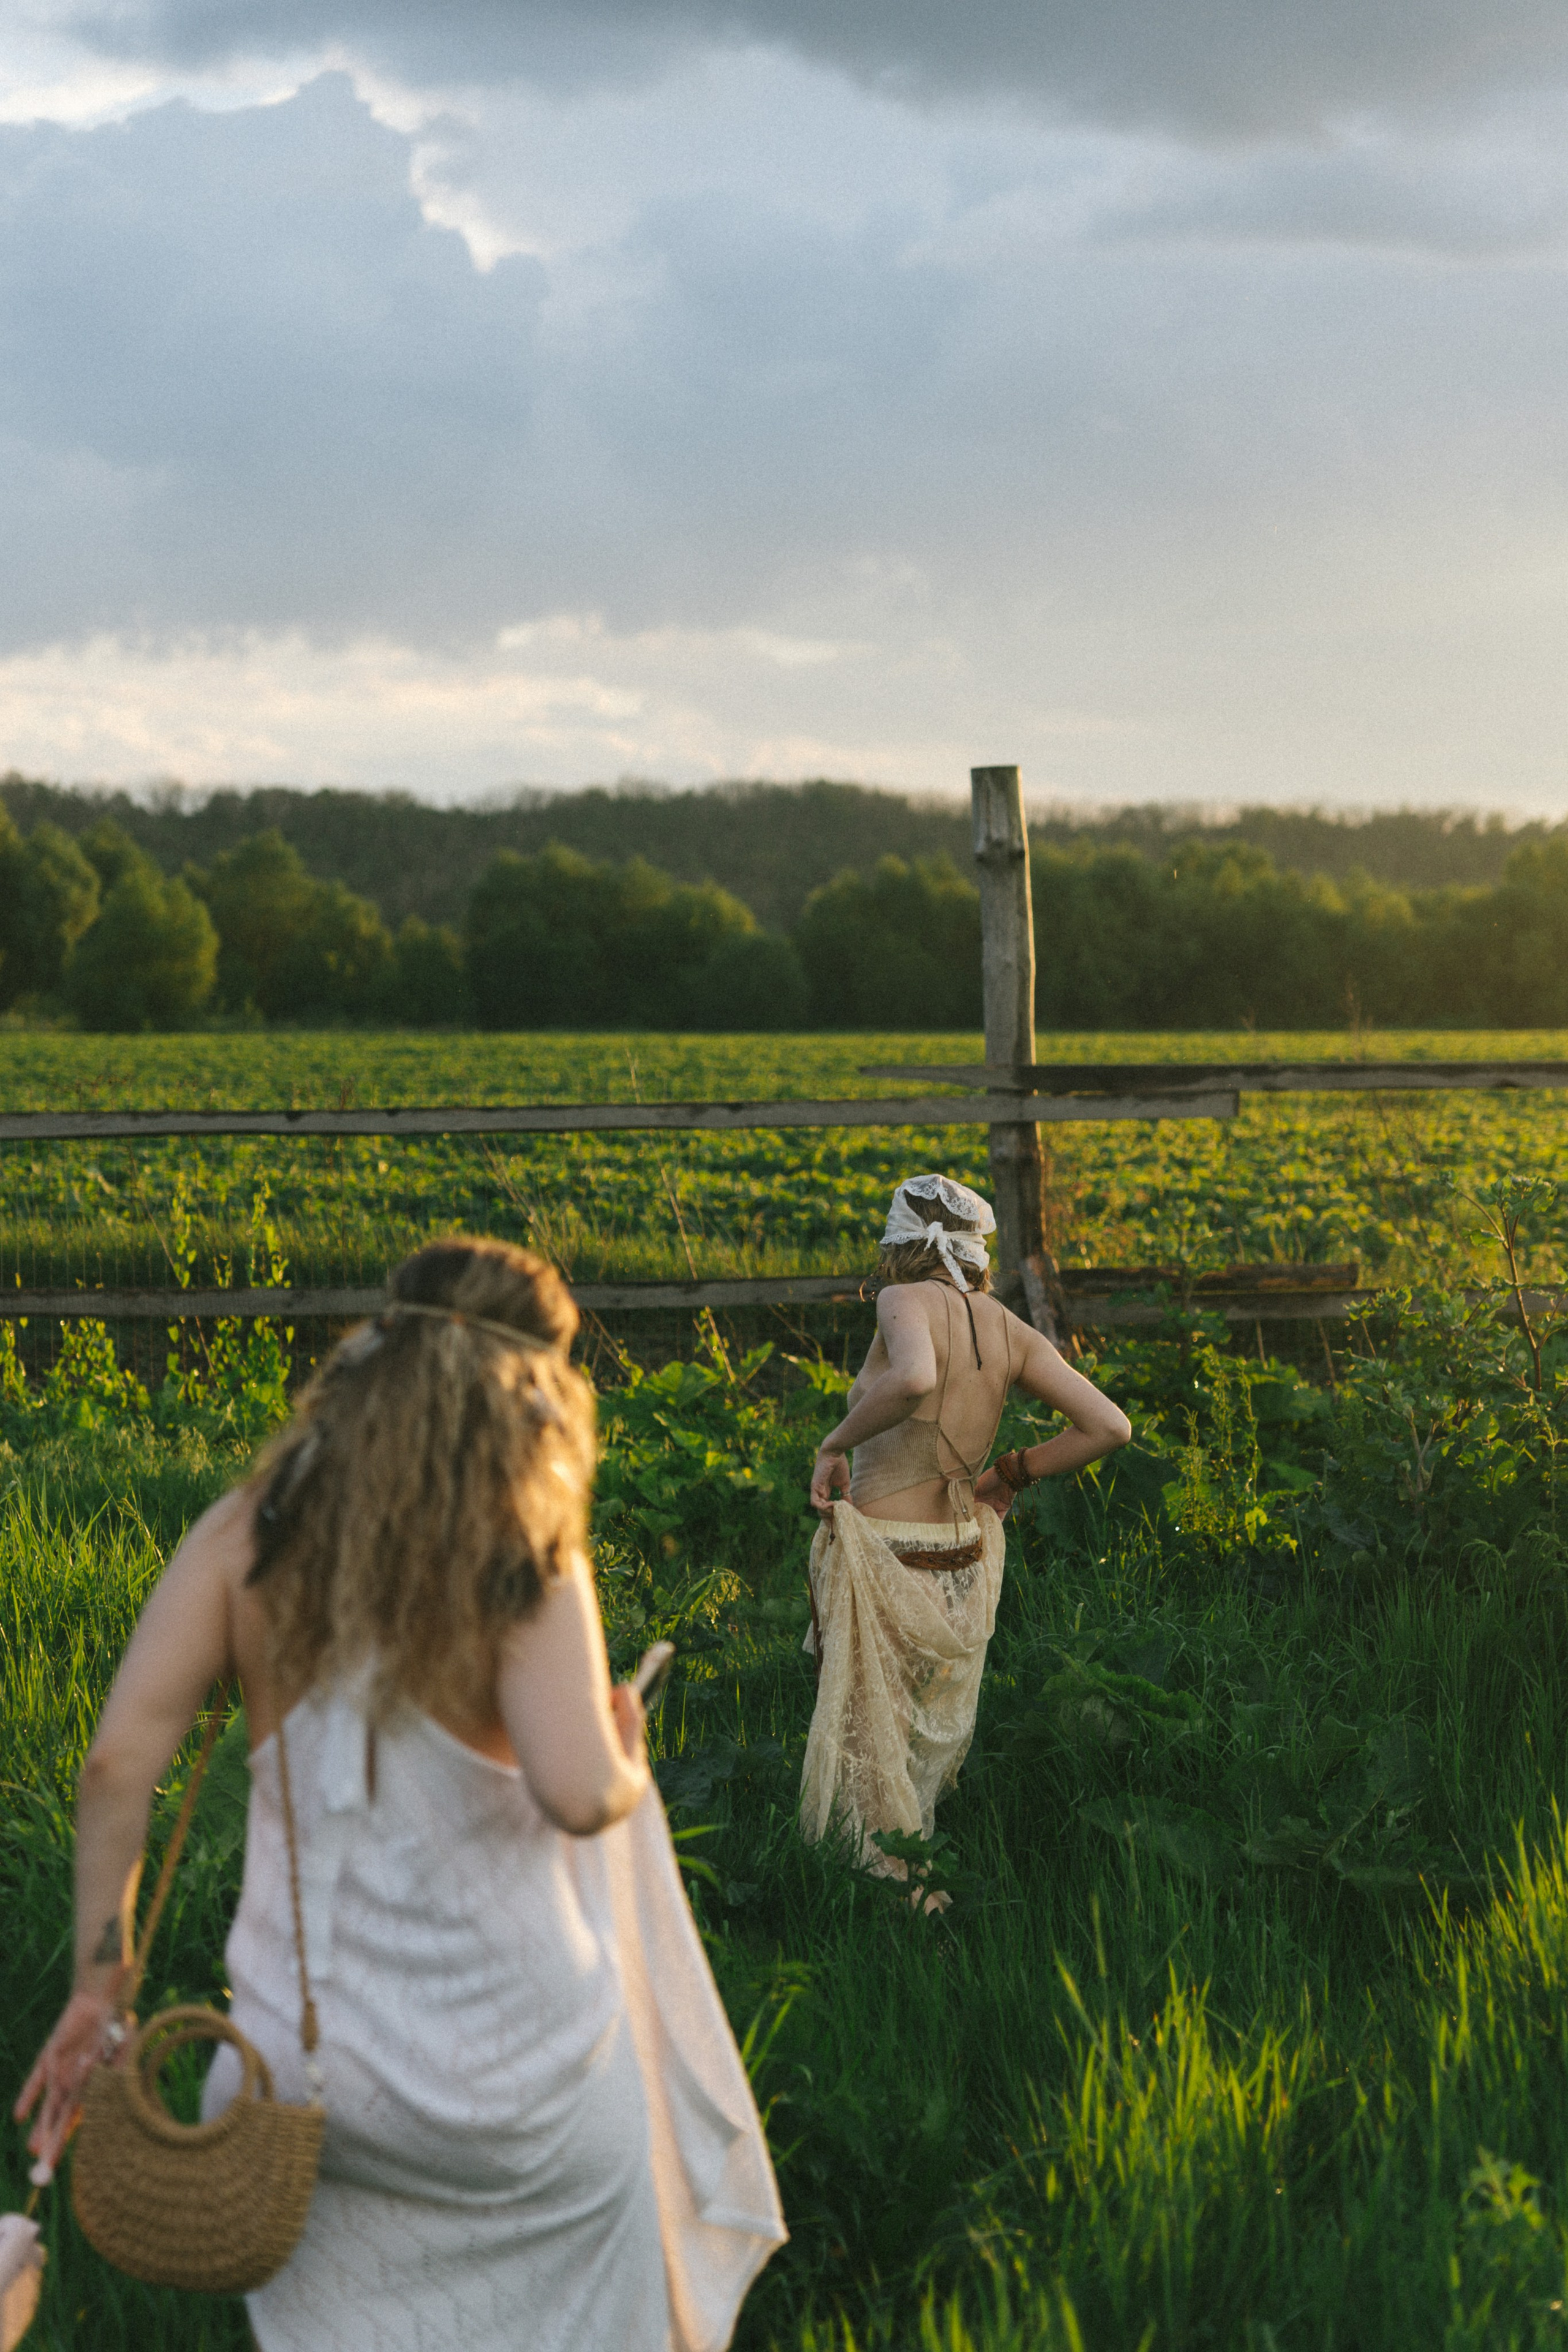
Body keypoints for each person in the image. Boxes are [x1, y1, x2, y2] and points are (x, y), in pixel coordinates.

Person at [17, 1238, 784, 2352]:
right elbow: (578, 1794)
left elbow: (116, 1766)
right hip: (517, 2089)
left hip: (306, 2080)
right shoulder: (524, 1552)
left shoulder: (249, 1532)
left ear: (377, 1359)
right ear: (537, 1394)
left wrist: (103, 1985)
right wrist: (625, 1748)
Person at [800, 1175, 1131, 1890]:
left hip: (890, 1551)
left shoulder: (900, 1299)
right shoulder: (1008, 1326)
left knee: (870, 1735)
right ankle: (911, 1873)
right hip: (960, 1558)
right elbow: (1109, 1426)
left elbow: (915, 1378)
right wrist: (1012, 1470)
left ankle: (884, 1895)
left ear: (899, 1243)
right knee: (909, 1739)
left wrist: (832, 1444)